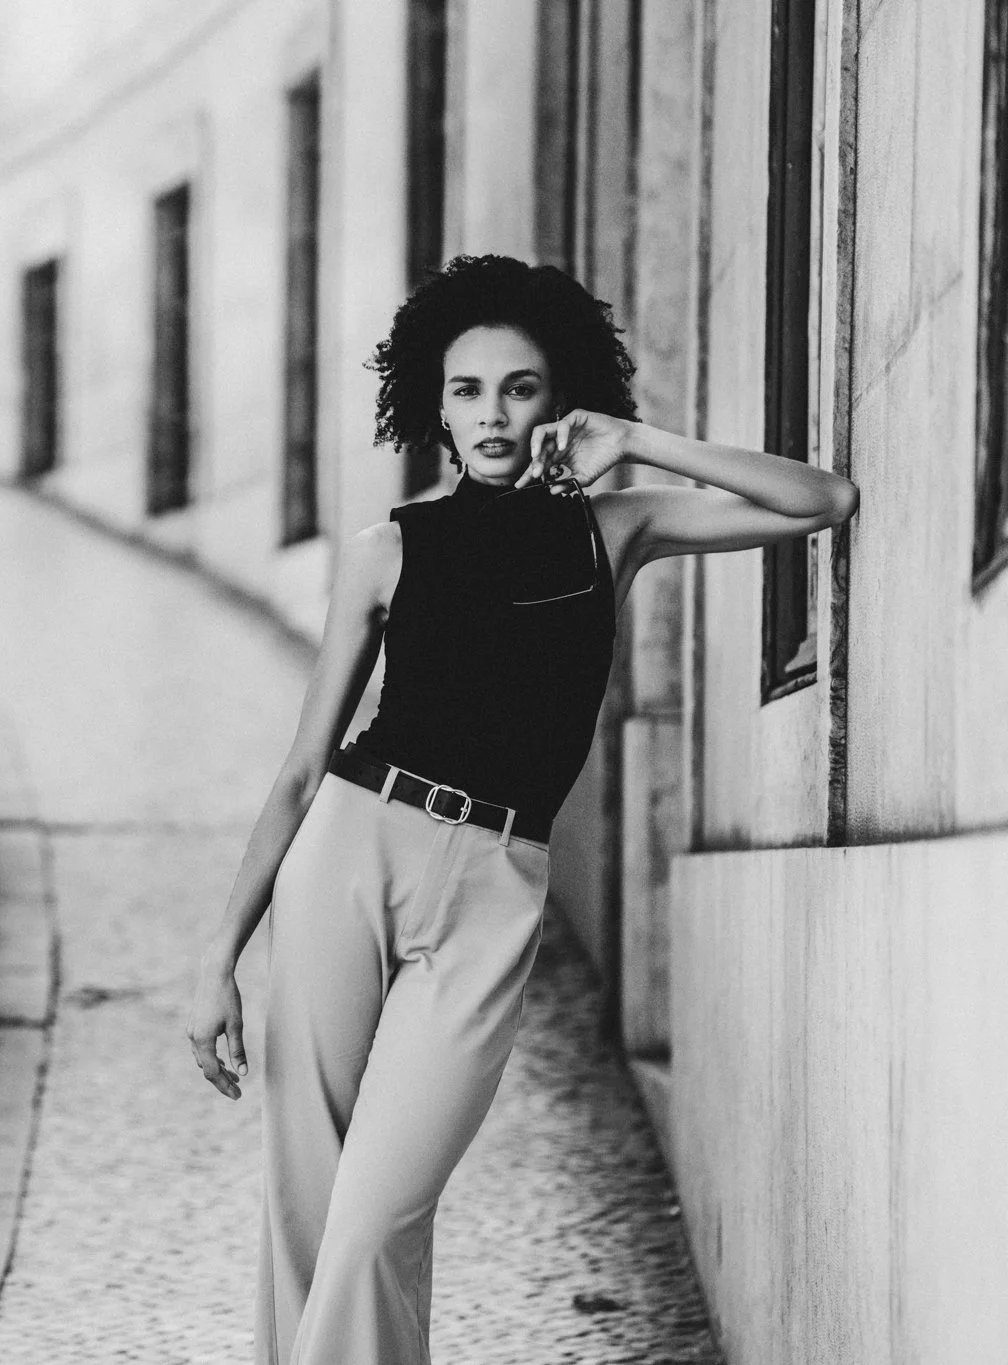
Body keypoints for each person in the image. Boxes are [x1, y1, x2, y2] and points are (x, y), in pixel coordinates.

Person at [186, 254, 858, 1365]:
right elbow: (302, 770)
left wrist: (638, 441)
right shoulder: (386, 549)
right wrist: (216, 955)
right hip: (349, 850)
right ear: (429, 407)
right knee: (306, 1209)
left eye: (518, 386)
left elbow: (820, 501)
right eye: (465, 390)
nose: (491, 413)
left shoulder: (614, 527)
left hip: (493, 883)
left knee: (372, 1218)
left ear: (559, 396)